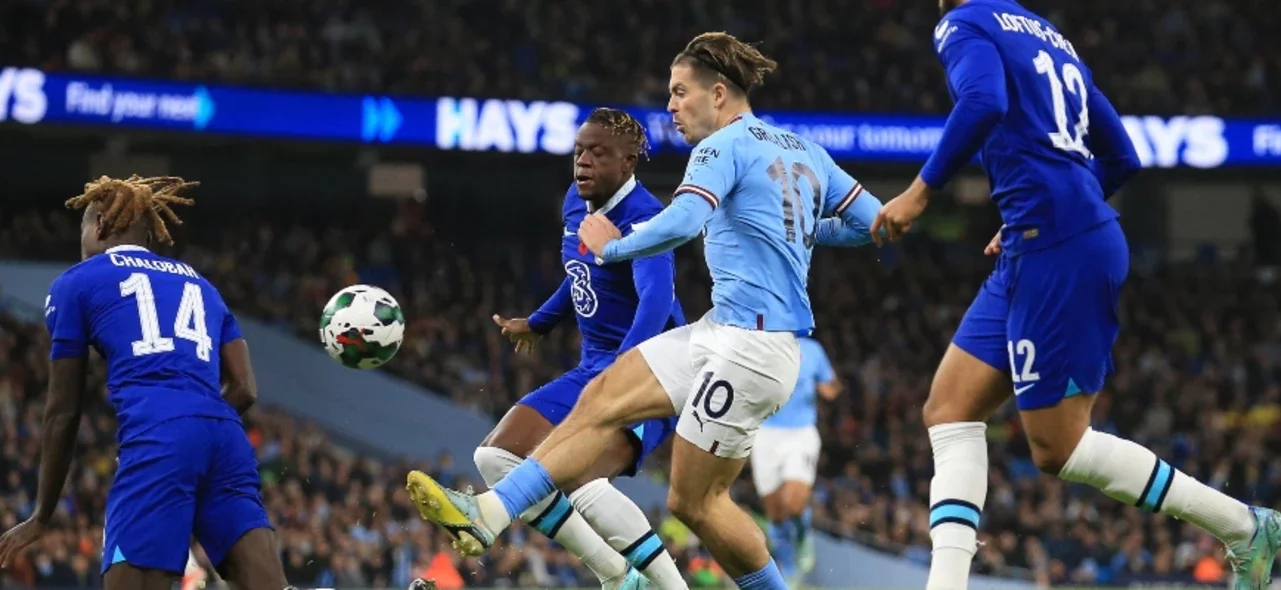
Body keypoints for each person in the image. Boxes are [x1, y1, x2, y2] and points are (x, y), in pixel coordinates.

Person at [404, 31, 883, 590]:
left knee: (695, 503)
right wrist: (798, 230)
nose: (671, 106)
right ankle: (489, 514)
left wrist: (614, 246)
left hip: (754, 350)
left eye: (681, 93)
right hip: (720, 331)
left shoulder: (720, 147)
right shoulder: (803, 150)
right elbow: (870, 222)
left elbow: (681, 223)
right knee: (600, 397)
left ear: (719, 93)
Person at [870, 1, 1281, 589]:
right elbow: (1123, 156)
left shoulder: (962, 23)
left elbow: (984, 102)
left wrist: (920, 192)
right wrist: (1053, 207)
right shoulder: (1047, 34)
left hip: (1057, 248)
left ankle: (1243, 525)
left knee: (1056, 448)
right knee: (949, 409)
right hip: (1036, 243)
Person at [419, 108, 687, 590]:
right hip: (595, 367)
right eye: (579, 151)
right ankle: (619, 576)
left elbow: (657, 298)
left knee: (577, 474)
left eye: (597, 153)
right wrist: (539, 322)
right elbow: (579, 271)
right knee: (495, 458)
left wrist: (621, 372)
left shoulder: (644, 219)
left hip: (652, 372)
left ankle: (671, 587)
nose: (582, 162)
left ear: (628, 163)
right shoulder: (575, 201)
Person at [0, 175, 292, 590]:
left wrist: (42, 515)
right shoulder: (201, 284)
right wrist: (195, 426)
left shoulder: (77, 282)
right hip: (226, 438)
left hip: (159, 438)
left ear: (99, 224)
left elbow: (63, 410)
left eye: (82, 228)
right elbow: (245, 388)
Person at [750, 336, 839, 585]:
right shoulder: (762, 345)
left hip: (800, 434)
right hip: (766, 434)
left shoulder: (812, 349)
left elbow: (830, 384)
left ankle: (802, 536)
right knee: (775, 513)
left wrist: (828, 389)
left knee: (794, 503)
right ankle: (788, 567)